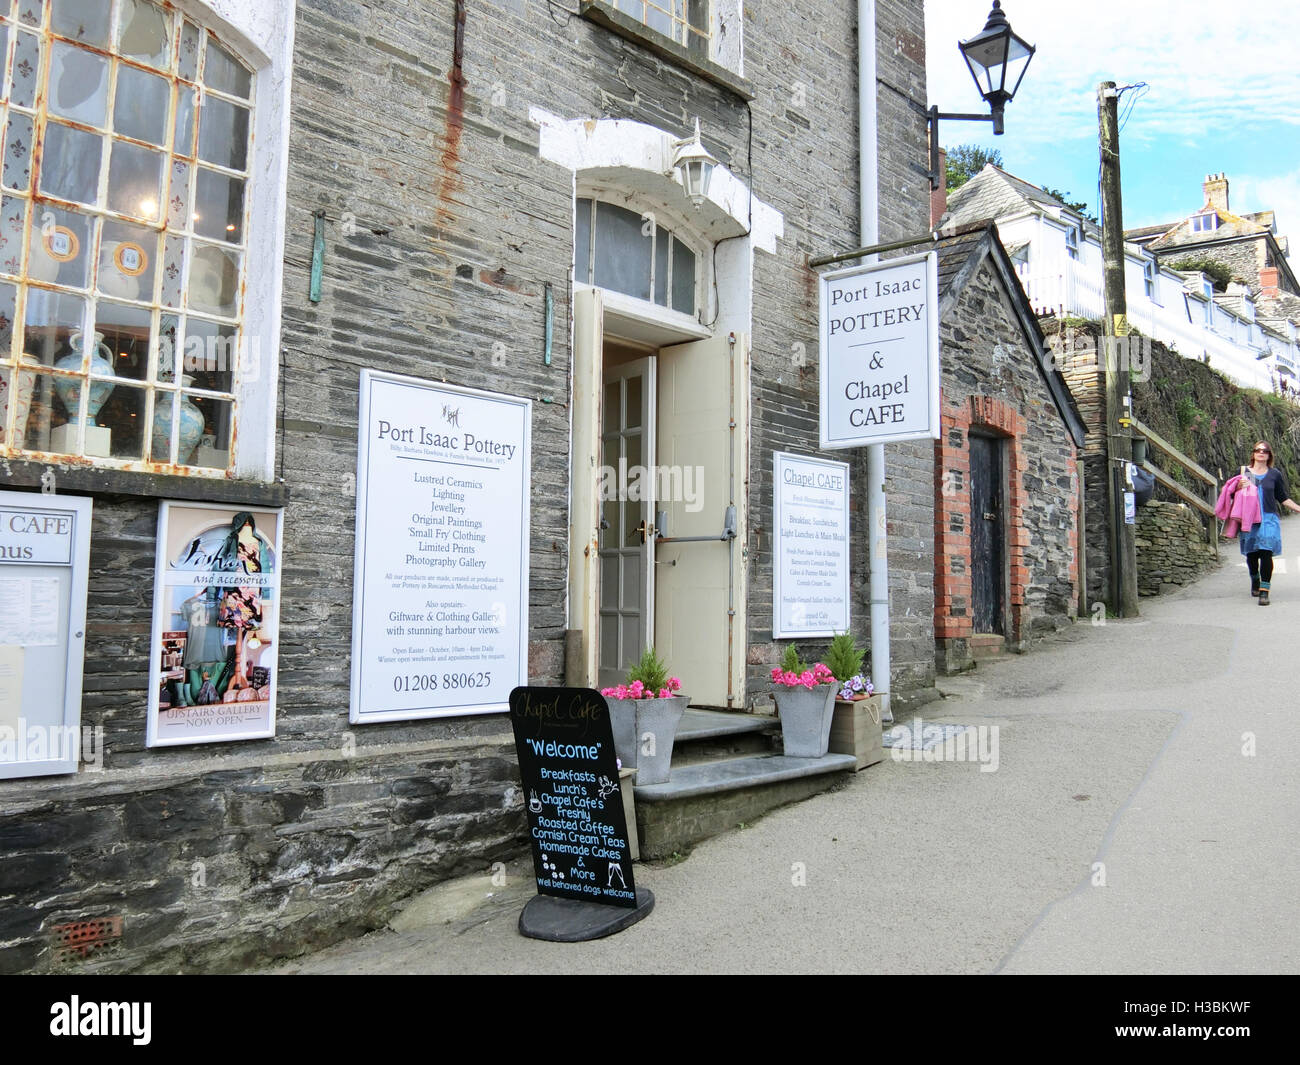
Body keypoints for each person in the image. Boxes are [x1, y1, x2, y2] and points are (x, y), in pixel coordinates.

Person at [1238, 441, 1300, 605]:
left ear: (1269, 455)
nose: (1261, 453)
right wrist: (1238, 486)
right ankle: (1255, 578)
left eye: (1265, 451)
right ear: (1253, 454)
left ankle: (1264, 592)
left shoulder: (1274, 474)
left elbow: (1282, 497)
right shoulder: (1244, 472)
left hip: (1268, 518)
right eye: (1258, 450)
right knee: (1251, 553)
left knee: (1266, 552)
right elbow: (1228, 493)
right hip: (1249, 518)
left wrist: (1298, 508)